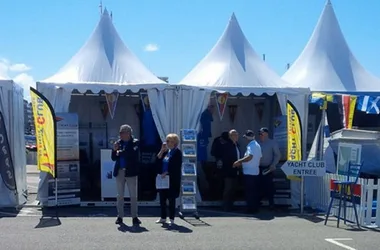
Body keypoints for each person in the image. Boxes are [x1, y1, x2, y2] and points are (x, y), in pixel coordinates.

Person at [111, 124, 141, 225]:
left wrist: (120, 152)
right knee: (120, 195)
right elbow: (114, 158)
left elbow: (131, 154)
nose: (120, 135)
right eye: (119, 133)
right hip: (120, 171)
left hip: (131, 171)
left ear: (128, 133)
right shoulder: (118, 143)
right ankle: (120, 216)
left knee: (133, 195)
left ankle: (134, 216)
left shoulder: (135, 142)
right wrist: (115, 150)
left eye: (122, 133)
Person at [155, 133, 182, 226]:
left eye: (168, 141)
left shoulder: (177, 153)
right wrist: (162, 150)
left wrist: (166, 172)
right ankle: (163, 217)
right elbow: (158, 159)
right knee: (162, 199)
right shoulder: (167, 152)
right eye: (166, 141)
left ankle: (172, 218)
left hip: (172, 179)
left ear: (174, 142)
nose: (167, 143)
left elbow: (176, 166)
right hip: (163, 179)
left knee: (171, 199)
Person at [233, 130, 262, 213]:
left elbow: (250, 157)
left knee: (249, 192)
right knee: (254, 191)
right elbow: (259, 159)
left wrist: (239, 161)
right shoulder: (257, 145)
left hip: (249, 172)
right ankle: (255, 208)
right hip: (255, 171)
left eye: (245, 137)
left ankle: (251, 209)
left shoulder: (251, 146)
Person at [257, 127, 281, 209]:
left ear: (266, 134)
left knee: (269, 186)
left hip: (268, 168)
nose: (260, 135)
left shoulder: (272, 143)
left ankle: (271, 203)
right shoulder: (257, 143)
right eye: (259, 133)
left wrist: (273, 164)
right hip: (258, 167)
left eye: (262, 133)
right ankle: (258, 202)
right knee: (258, 186)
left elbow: (278, 155)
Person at [220, 129, 241, 211]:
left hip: (236, 171)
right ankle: (225, 206)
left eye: (236, 134)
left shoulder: (237, 145)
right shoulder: (227, 146)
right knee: (228, 189)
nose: (236, 136)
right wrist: (235, 163)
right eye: (233, 135)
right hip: (228, 171)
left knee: (233, 189)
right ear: (230, 136)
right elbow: (225, 159)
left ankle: (231, 205)